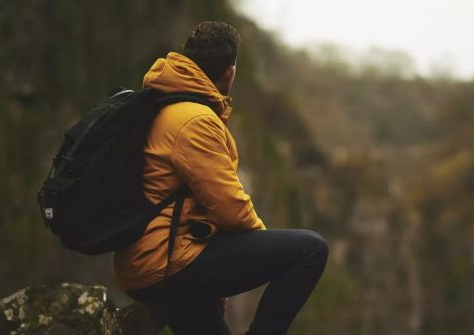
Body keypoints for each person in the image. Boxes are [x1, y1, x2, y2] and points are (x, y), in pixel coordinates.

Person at [113, 21, 329, 335]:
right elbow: (230, 207)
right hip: (168, 264)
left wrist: (222, 267)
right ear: (230, 73)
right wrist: (257, 249)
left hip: (150, 261)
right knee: (311, 249)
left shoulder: (162, 104)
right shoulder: (194, 120)